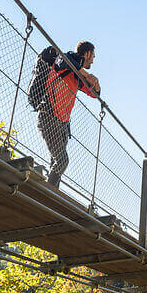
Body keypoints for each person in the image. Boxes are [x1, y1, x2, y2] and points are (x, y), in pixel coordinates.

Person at [37, 41, 101, 188]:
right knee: (62, 161)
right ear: (87, 53)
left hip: (63, 124)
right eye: (93, 56)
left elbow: (95, 94)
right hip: (48, 116)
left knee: (56, 163)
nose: (93, 59)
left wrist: (95, 82)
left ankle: (52, 190)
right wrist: (87, 74)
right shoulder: (65, 59)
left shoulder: (77, 76)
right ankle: (49, 193)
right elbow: (67, 62)